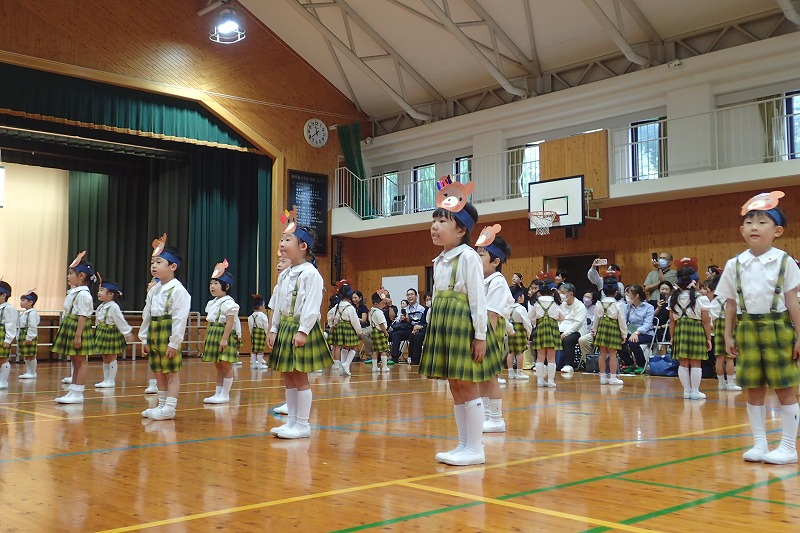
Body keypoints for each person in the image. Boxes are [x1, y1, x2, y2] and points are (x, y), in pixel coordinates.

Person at [419, 178, 498, 466]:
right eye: (434, 220)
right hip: (444, 325)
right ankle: (463, 444)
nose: (435, 226)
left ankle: (475, 448)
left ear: (461, 229)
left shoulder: (467, 257)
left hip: (462, 326)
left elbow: (477, 299)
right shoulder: (440, 259)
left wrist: (480, 336)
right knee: (454, 385)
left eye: (443, 221)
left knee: (466, 384)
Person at [717, 191, 800, 464]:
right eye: (749, 222)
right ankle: (760, 444)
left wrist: (799, 336)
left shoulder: (785, 261)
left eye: (762, 222)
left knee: (785, 388)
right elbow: (731, 304)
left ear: (777, 231)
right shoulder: (734, 264)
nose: (755, 227)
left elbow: (793, 302)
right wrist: (728, 335)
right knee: (753, 388)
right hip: (746, 329)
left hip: (778, 326)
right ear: (742, 230)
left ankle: (788, 447)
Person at [267, 211, 332, 439]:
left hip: (300, 329)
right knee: (288, 376)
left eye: (287, 240)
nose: (282, 243)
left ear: (303, 246)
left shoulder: (310, 274)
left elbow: (312, 306)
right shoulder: (284, 275)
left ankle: (302, 424)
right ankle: (292, 422)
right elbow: (278, 305)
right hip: (285, 328)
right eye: (281, 239)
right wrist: (274, 328)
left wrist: (303, 330)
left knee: (300, 377)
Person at [139, 235, 192, 420]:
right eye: (152, 262)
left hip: (168, 332)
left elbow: (180, 318)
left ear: (173, 266)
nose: (154, 266)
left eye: (159, 262)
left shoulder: (178, 290)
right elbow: (146, 314)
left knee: (171, 372)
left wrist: (174, 342)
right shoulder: (154, 290)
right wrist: (144, 338)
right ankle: (161, 405)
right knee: (158, 370)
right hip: (154, 332)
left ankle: (170, 407)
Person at [476, 226, 514, 433]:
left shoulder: (497, 282)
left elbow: (492, 314)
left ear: (496, 261)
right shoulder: (481, 280)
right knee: (481, 376)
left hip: (489, 332)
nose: (476, 258)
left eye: (481, 254)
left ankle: (497, 419)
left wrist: (481, 338)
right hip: (481, 332)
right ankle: (485, 417)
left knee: (489, 376)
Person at [52, 252, 98, 404]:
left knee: (80, 361)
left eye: (71, 273)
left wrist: (78, 335)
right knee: (75, 361)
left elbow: (83, 316)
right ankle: (73, 390)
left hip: (78, 328)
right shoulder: (75, 292)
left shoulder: (83, 294)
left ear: (81, 275)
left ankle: (78, 393)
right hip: (70, 326)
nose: (68, 276)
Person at [201, 260, 242, 404]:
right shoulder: (212, 302)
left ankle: (225, 394)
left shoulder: (229, 303)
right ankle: (218, 393)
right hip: (213, 333)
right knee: (218, 365)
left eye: (216, 283)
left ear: (226, 286)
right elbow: (210, 321)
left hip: (223, 334)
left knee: (225, 364)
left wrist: (224, 339)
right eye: (211, 283)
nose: (212, 286)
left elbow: (230, 322)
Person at [670, 264, 712, 400]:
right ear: (695, 281)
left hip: (680, 329)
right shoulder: (701, 298)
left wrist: (672, 337)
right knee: (695, 362)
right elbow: (706, 322)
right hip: (696, 328)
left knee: (683, 362)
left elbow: (672, 321)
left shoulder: (673, 298)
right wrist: (708, 339)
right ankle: (695, 391)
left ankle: (686, 391)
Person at [93, 279, 134, 388]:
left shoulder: (113, 307)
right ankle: (105, 379)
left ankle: (111, 380)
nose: (98, 292)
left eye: (102, 290)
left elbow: (120, 321)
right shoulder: (101, 306)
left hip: (111, 333)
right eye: (99, 290)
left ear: (110, 294)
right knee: (105, 356)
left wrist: (127, 333)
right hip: (102, 332)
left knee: (111, 356)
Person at [704, 275, 740, 391]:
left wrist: (716, 329)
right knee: (730, 357)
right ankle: (730, 383)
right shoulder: (733, 299)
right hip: (731, 325)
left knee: (719, 357)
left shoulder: (715, 300)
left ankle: (721, 383)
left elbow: (713, 318)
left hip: (718, 326)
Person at [591, 276, 627, 386]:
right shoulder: (618, 304)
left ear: (603, 291)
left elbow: (596, 319)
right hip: (613, 327)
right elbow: (622, 320)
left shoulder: (598, 304)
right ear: (616, 292)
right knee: (612, 354)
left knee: (602, 354)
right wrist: (624, 334)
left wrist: (594, 330)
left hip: (602, 327)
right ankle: (613, 377)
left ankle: (602, 377)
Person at [529, 278, 564, 388]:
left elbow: (531, 316)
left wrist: (538, 320)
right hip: (553, 328)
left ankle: (540, 381)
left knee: (540, 356)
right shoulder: (555, 302)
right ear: (552, 290)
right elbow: (562, 317)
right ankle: (551, 381)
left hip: (540, 327)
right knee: (551, 357)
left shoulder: (536, 302)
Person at [327, 284, 362, 376]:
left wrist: (331, 324)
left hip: (337, 327)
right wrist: (359, 331)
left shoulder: (337, 306)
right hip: (347, 327)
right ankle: (346, 363)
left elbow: (329, 314)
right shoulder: (350, 307)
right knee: (354, 346)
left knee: (337, 346)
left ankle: (337, 364)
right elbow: (354, 321)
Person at [619, 285, 655, 375]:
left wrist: (637, 332)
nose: (626, 295)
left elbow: (647, 324)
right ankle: (629, 363)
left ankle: (641, 364)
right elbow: (623, 321)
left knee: (633, 341)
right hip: (630, 331)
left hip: (646, 333)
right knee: (617, 341)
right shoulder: (627, 307)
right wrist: (623, 333)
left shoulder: (649, 307)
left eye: (628, 294)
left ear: (636, 296)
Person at [556, 282, 587, 371]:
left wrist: (565, 334)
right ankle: (550, 363)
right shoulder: (562, 304)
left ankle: (568, 364)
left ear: (571, 294)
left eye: (563, 292)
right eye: (560, 292)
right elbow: (558, 319)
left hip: (576, 331)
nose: (561, 295)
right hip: (561, 328)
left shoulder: (580, 306)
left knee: (568, 340)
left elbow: (577, 324)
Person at [389, 289, 425, 363]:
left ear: (416, 296)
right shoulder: (405, 309)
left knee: (400, 334)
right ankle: (391, 356)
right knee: (392, 334)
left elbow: (420, 322)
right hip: (404, 328)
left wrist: (409, 320)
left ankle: (398, 357)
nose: (410, 296)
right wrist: (401, 318)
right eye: (408, 295)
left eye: (412, 294)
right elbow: (396, 320)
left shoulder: (421, 309)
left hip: (414, 329)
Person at [507, 286, 532, 380]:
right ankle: (519, 372)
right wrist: (528, 332)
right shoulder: (521, 308)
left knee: (511, 351)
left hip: (510, 329)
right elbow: (526, 322)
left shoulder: (508, 307)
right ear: (519, 297)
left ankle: (510, 372)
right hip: (520, 330)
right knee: (520, 352)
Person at [17, 290, 40, 380]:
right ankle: (28, 371)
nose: (21, 302)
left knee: (31, 354)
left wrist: (29, 337)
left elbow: (32, 326)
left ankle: (33, 372)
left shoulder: (32, 313)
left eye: (23, 300)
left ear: (30, 302)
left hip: (29, 335)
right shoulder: (25, 313)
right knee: (26, 354)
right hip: (23, 333)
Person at [0, 280, 18, 390]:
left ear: (3, 295)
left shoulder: (8, 309)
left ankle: (3, 381)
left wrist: (8, 339)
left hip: (2, 335)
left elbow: (10, 324)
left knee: (3, 358)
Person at [369, 291, 391, 372]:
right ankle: (384, 366)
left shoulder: (371, 311)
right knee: (383, 350)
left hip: (373, 332)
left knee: (375, 350)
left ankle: (374, 367)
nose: (384, 305)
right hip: (380, 332)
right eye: (382, 303)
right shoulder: (379, 312)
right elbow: (381, 324)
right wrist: (385, 332)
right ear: (376, 304)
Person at [248, 294, 270, 369]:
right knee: (260, 349)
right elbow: (266, 326)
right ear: (260, 306)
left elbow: (250, 327)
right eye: (263, 305)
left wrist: (251, 334)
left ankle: (254, 364)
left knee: (253, 349)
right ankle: (260, 364)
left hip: (254, 334)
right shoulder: (263, 316)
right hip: (261, 334)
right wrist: (267, 334)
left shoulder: (250, 317)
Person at [578, 290, 598, 363]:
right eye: (585, 296)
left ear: (593, 299)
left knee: (583, 340)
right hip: (580, 330)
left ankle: (588, 362)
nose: (586, 298)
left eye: (588, 297)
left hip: (592, 332)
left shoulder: (596, 308)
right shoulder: (580, 307)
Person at [652, 281, 674, 348]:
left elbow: (673, 320)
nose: (664, 291)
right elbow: (651, 317)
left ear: (670, 290)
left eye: (666, 289)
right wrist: (658, 308)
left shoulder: (673, 303)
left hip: (667, 328)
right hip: (655, 328)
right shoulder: (653, 303)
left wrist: (661, 327)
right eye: (662, 289)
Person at [352, 290, 371, 361]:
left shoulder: (363, 307)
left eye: (355, 298)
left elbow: (363, 321)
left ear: (360, 298)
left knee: (363, 334)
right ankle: (355, 355)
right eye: (353, 298)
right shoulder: (352, 307)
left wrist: (355, 318)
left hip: (364, 327)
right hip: (355, 328)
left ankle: (369, 355)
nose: (354, 299)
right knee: (351, 334)